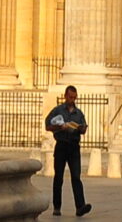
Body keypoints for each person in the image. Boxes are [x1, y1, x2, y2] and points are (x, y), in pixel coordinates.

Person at [45, 84, 92, 217]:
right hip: (61, 146)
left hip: (74, 147)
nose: (73, 99)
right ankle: (57, 207)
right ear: (65, 96)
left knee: (76, 177)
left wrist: (82, 128)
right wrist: (60, 127)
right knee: (58, 177)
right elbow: (48, 126)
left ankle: (80, 206)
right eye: (70, 97)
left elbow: (83, 128)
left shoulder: (79, 113)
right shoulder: (57, 110)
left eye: (74, 97)